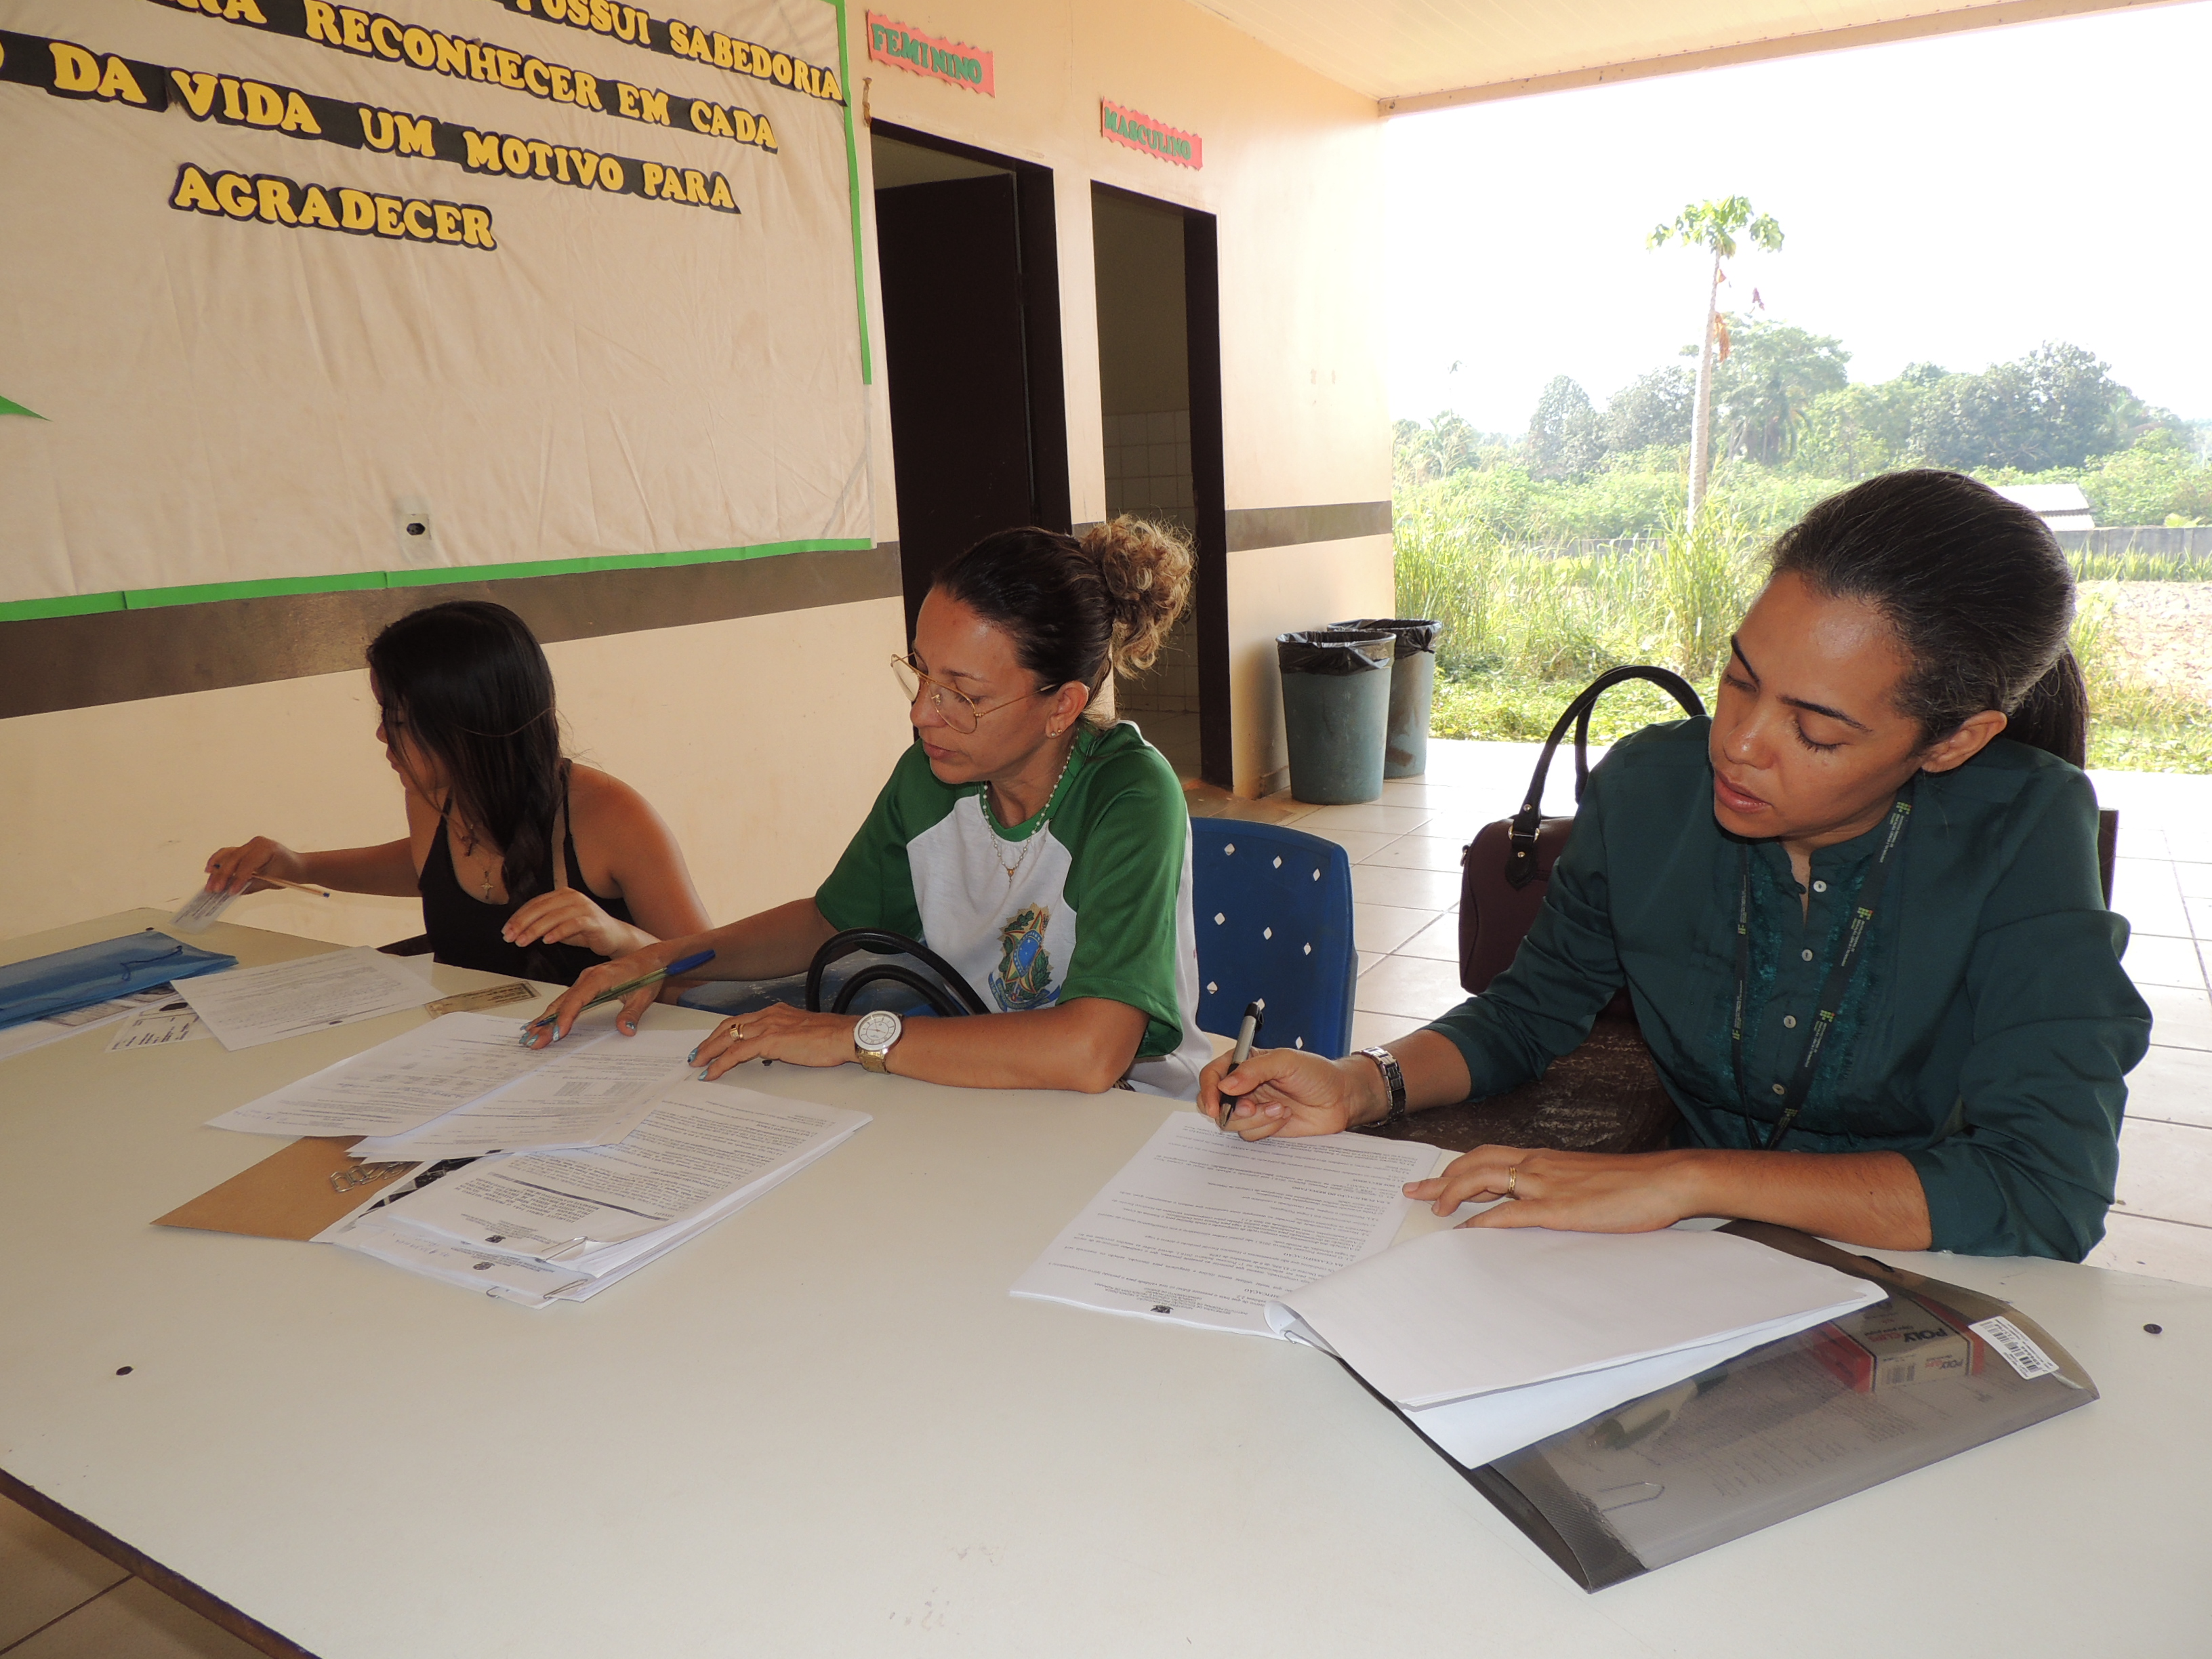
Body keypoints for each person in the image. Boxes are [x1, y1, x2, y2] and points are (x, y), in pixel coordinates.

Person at [1205, 470, 2152, 1261]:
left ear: (1953, 742)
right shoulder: (1653, 788)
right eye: (1740, 680)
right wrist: (1368, 1081)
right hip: (1675, 1256)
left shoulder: (2024, 832)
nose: (1739, 745)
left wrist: (1681, 1178)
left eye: (1815, 731)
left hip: (1912, 1256)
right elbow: (1530, 1011)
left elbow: (2044, 1190)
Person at [531, 518, 1216, 1097]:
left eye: (963, 694)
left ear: (1062, 705)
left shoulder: (1129, 796)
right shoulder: (930, 778)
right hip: (972, 1091)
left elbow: (1091, 1052)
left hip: (1129, 1114)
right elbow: (831, 921)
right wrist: (664, 958)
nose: (923, 713)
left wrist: (848, 1036)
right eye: (919, 672)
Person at [202, 600, 711, 985]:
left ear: (468, 725)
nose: (382, 736)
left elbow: (711, 970)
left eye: (398, 720)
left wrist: (623, 940)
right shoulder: (433, 797)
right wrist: (301, 867)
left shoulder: (612, 816)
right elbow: (433, 869)